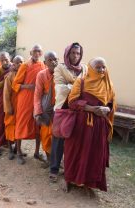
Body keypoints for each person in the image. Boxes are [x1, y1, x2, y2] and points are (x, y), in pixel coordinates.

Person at [63, 57, 116, 194]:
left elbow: (111, 104)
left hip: (99, 126)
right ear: (91, 68)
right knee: (74, 152)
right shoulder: (80, 82)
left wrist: (107, 109)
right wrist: (91, 109)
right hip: (80, 125)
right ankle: (69, 179)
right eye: (98, 67)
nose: (101, 70)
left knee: (94, 154)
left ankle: (88, 182)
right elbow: (72, 102)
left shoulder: (108, 84)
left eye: (103, 67)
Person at [49, 42, 88, 182]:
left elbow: (88, 88)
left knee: (74, 141)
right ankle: (54, 168)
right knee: (58, 139)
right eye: (73, 53)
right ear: (67, 53)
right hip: (62, 108)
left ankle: (70, 169)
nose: (75, 56)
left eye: (78, 53)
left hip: (78, 109)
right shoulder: (60, 67)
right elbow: (60, 88)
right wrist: (78, 87)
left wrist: (70, 86)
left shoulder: (85, 68)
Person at [12, 45, 46, 165]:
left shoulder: (43, 66)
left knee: (38, 125)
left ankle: (37, 152)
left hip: (38, 99)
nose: (36, 53)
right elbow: (15, 84)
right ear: (31, 52)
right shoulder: (25, 66)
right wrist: (28, 86)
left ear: (41, 53)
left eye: (39, 51)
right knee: (21, 123)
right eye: (34, 51)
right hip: (25, 99)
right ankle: (19, 152)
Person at [34, 51, 58, 168]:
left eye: (55, 59)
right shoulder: (41, 75)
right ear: (45, 62)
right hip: (46, 110)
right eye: (50, 60)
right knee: (46, 136)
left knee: (57, 137)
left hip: (59, 110)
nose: (54, 62)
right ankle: (49, 159)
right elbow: (37, 95)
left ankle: (56, 160)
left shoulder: (61, 73)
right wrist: (38, 112)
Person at [3, 55, 24, 160]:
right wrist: (8, 108)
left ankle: (18, 148)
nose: (19, 64)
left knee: (19, 127)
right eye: (17, 63)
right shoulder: (10, 76)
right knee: (9, 126)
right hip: (11, 106)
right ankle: (10, 150)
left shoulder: (25, 74)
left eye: (21, 62)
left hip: (21, 106)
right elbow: (6, 94)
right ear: (13, 64)